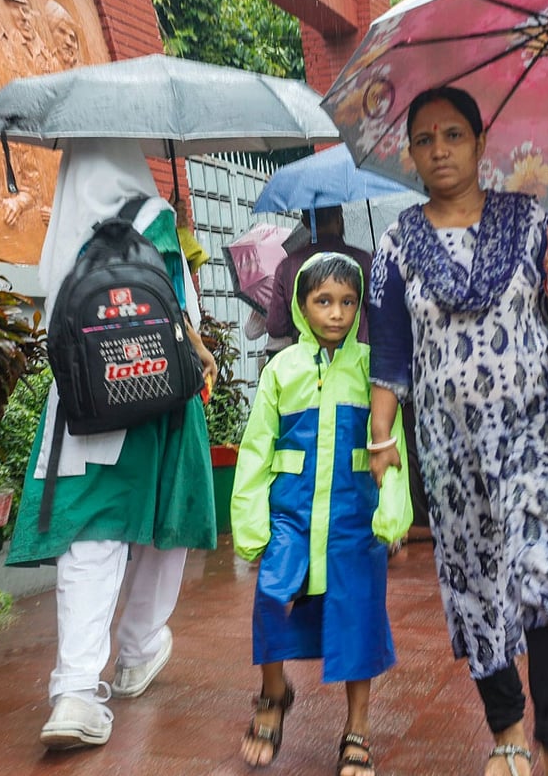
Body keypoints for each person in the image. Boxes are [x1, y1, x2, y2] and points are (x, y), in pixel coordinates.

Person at [366, 86, 548, 776]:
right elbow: (391, 355)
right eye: (425, 139)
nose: (439, 150)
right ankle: (508, 733)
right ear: (411, 152)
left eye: (453, 135)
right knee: (477, 585)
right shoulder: (397, 243)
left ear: (481, 141)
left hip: (536, 440)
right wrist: (381, 438)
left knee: (547, 581)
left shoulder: (531, 223)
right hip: (452, 452)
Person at [5, 139, 218, 750]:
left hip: (81, 408)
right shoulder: (154, 216)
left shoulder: (65, 227)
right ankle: (137, 649)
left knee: (89, 539)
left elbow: (54, 320)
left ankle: (75, 690)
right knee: (164, 525)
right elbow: (185, 315)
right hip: (157, 398)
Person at [232, 252, 409, 776]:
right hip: (291, 518)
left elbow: (389, 446)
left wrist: (392, 512)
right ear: (300, 305)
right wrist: (249, 521)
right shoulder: (282, 369)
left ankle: (357, 728)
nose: (336, 313)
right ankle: (272, 694)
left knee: (359, 619)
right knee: (271, 598)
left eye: (348, 302)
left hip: (356, 523)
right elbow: (255, 448)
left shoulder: (372, 367)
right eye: (323, 301)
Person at [266, 205, 372, 353]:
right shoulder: (362, 260)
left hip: (307, 365)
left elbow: (276, 327)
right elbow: (380, 317)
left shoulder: (288, 266)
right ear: (339, 218)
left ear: (305, 223)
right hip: (356, 363)